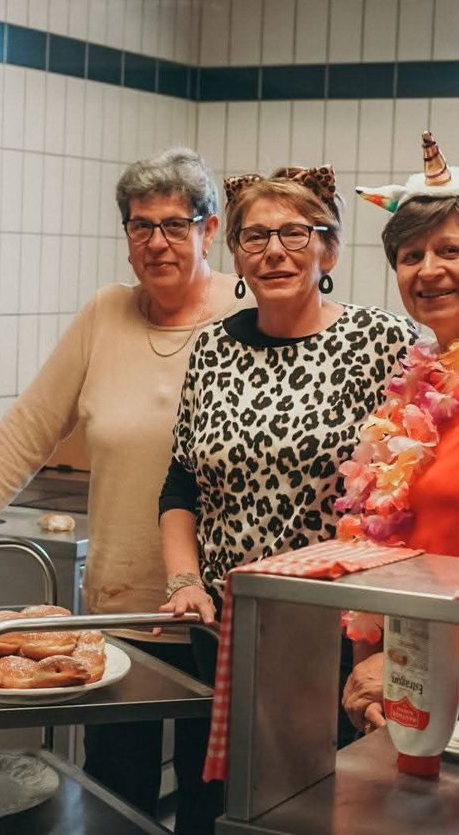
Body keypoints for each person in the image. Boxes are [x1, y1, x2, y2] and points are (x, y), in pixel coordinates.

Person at [0, 148, 244, 829]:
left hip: (218, 609)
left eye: (175, 224)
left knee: (213, 804)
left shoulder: (245, 309)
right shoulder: (105, 313)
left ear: (210, 227)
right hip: (117, 612)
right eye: (140, 226)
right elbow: (32, 425)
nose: (157, 242)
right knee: (117, 799)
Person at [158, 166, 417, 829]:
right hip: (223, 630)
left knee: (321, 807)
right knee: (214, 799)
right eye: (255, 237)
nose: (275, 251)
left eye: (296, 235)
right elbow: (182, 481)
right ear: (236, 256)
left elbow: (406, 490)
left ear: (330, 249)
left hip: (337, 638)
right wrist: (185, 578)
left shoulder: (383, 342)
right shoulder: (212, 347)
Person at [338, 131, 459, 732]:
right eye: (410, 256)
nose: (428, 270)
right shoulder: (411, 392)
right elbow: (383, 545)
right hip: (407, 695)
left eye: (450, 250)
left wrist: (406, 666)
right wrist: (370, 674)